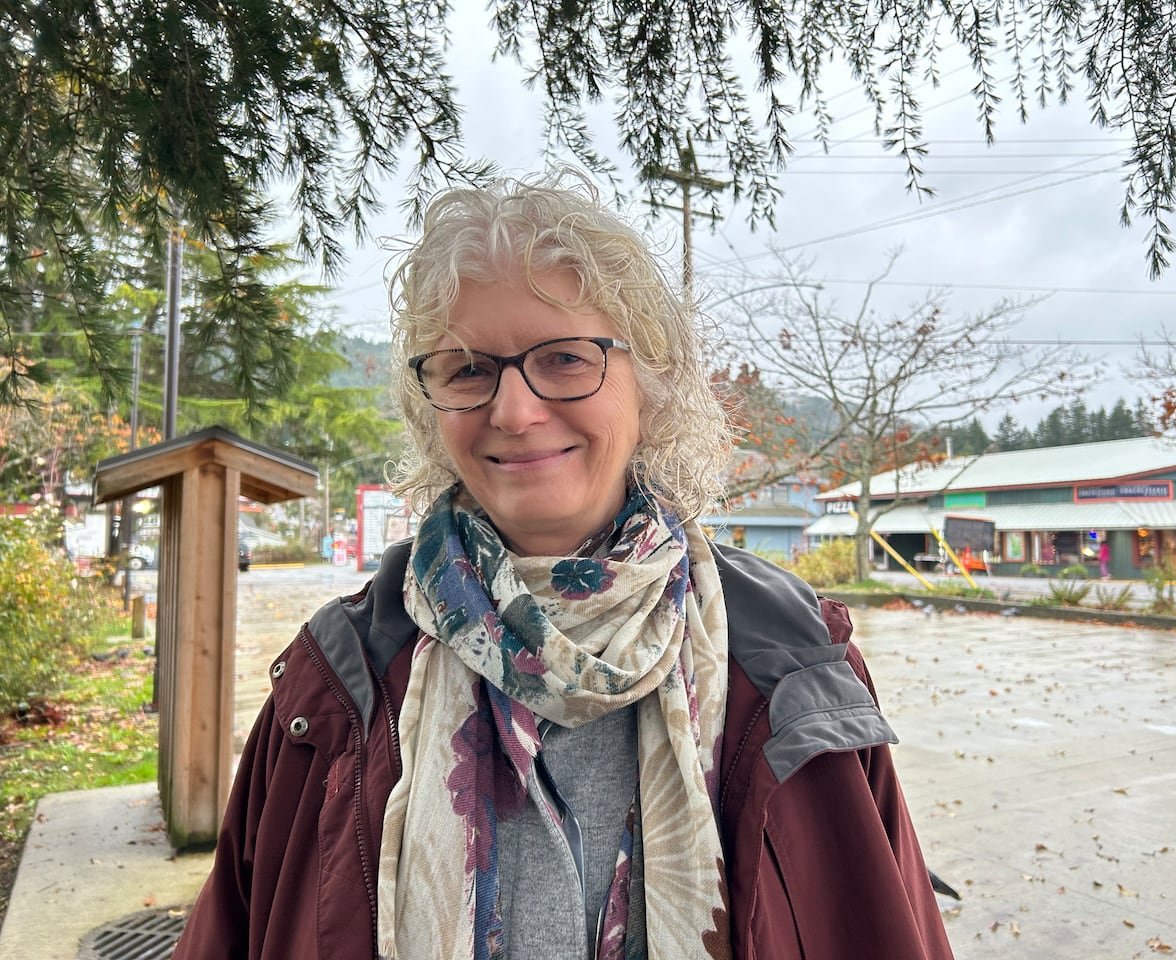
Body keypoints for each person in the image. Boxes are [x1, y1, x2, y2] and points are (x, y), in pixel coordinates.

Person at [173, 173, 953, 960]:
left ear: (649, 381)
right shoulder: (337, 682)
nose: (514, 411)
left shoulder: (794, 668)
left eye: (567, 358)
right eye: (467, 370)